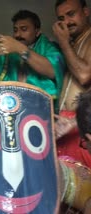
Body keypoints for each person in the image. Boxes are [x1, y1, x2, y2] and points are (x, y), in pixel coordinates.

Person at [52, 0, 91, 167]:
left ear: (86, 11)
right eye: (61, 18)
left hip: (83, 128)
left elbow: (84, 75)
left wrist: (63, 42)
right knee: (70, 188)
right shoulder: (72, 45)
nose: (66, 22)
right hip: (65, 127)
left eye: (71, 14)